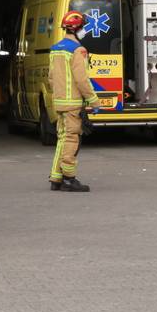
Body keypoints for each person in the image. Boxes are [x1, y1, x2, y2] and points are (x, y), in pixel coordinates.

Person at [48, 11, 102, 192]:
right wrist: (94, 101)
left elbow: (50, 78)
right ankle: (69, 179)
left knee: (62, 139)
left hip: (60, 102)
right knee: (72, 139)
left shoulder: (56, 49)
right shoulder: (78, 50)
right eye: (84, 27)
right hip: (73, 104)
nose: (85, 30)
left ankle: (56, 178)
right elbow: (81, 80)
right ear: (76, 28)